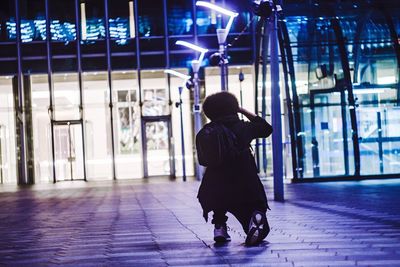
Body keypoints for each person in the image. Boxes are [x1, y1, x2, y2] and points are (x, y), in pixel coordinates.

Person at [197, 91, 273, 246]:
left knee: (220, 199)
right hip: (244, 176)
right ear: (233, 107)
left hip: (216, 178)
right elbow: (266, 129)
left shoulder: (207, 131)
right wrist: (242, 110)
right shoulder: (242, 127)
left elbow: (203, 160)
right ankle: (255, 217)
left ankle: (219, 227)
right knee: (256, 203)